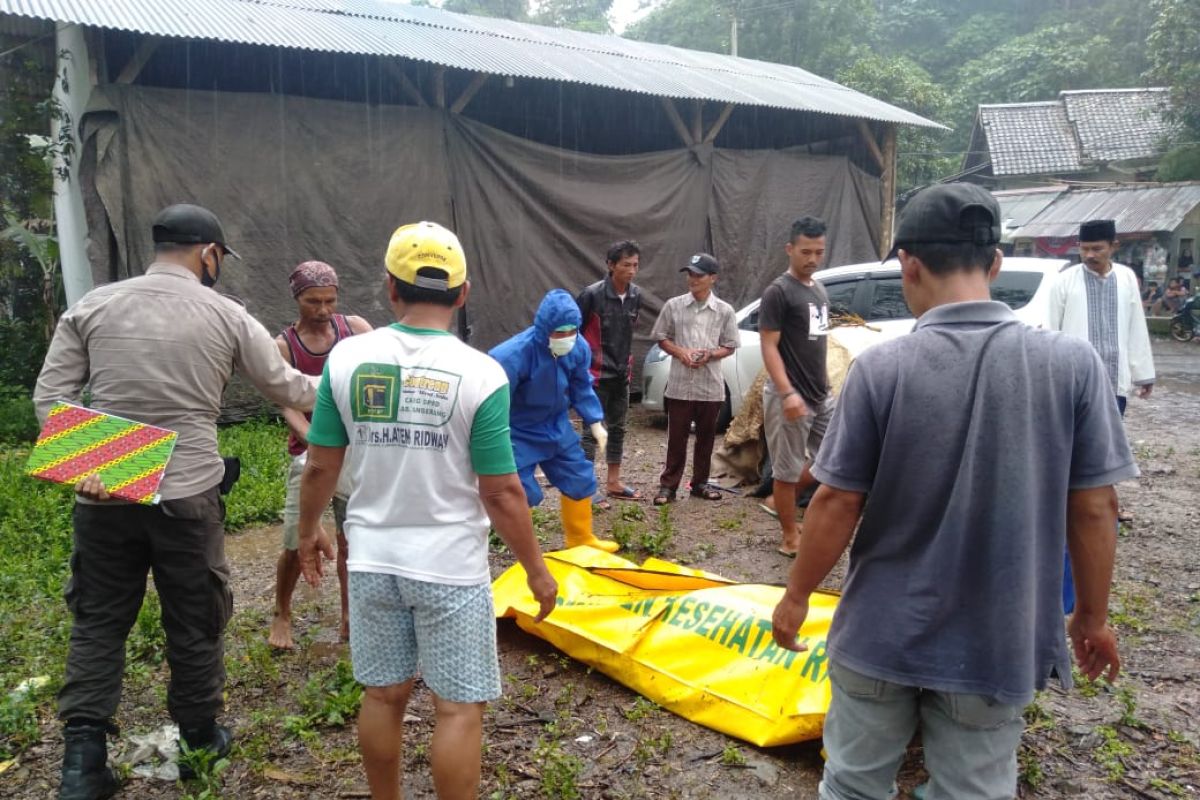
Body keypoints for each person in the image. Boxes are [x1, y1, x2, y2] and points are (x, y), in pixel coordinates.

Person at [770, 184, 1131, 800]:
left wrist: (797, 596)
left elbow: (836, 502)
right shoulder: (1073, 365)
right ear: (993, 264)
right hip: (995, 645)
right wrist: (1091, 618)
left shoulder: (883, 369)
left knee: (854, 785)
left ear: (908, 264)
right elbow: (1095, 507)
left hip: (879, 635)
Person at [34, 204, 318, 799]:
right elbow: (288, 388)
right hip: (189, 494)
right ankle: (198, 742)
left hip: (105, 498)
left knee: (98, 621)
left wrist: (98, 464)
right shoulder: (227, 313)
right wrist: (353, 379)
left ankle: (82, 766)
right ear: (209, 254)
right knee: (195, 617)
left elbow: (51, 397)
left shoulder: (93, 305)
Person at [296, 221, 557, 800]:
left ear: (390, 287)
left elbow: (320, 466)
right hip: (451, 569)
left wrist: (309, 529)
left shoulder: (347, 359)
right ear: (463, 294)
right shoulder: (481, 373)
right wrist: (537, 569)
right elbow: (502, 491)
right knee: (458, 708)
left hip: (372, 560)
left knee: (383, 695)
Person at [269, 261, 372, 650]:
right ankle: (282, 612)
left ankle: (349, 615)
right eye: (314, 301)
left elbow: (381, 375)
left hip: (354, 450)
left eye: (330, 300)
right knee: (298, 541)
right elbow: (286, 401)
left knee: (351, 539)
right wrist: (314, 437)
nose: (324, 310)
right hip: (309, 451)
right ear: (297, 298)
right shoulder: (284, 345)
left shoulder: (355, 330)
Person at [489, 289, 620, 552]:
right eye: (559, 332)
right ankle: (525, 550)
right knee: (518, 490)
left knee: (579, 475)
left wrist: (595, 421)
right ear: (544, 328)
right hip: (518, 429)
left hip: (556, 425)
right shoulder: (511, 356)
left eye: (572, 330)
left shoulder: (578, 347)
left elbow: (581, 385)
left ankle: (581, 540)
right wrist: (493, 439)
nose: (566, 338)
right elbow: (492, 401)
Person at [759, 217, 834, 557]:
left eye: (819, 252)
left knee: (834, 456)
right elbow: (769, 346)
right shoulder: (779, 291)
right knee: (787, 469)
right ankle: (789, 535)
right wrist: (787, 391)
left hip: (821, 394)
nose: (813, 259)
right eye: (806, 251)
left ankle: (778, 499)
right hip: (789, 394)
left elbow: (816, 342)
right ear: (789, 249)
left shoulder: (818, 289)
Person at [650, 253, 739, 505]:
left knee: (706, 437)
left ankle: (699, 483)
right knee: (676, 437)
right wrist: (681, 352)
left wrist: (710, 354)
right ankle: (668, 486)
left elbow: (731, 345)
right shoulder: (674, 305)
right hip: (679, 384)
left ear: (713, 278)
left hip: (710, 384)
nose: (693, 279)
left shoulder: (724, 311)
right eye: (690, 274)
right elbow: (661, 336)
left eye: (699, 275)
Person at [1047, 219, 1155, 416]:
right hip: (1075, 382)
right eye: (1084, 249)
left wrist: (1143, 374)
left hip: (1115, 381)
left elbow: (1136, 327)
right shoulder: (1064, 281)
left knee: (1110, 441)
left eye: (1097, 249)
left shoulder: (1126, 277)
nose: (1089, 255)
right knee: (1074, 441)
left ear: (1113, 246)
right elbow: (1050, 332)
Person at [577, 240, 643, 508]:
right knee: (591, 430)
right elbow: (574, 333)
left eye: (636, 265)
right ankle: (585, 486)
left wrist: (626, 364)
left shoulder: (636, 295)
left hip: (621, 373)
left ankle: (613, 482)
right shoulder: (591, 295)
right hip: (594, 374)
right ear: (611, 265)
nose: (632, 270)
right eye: (626, 265)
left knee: (618, 428)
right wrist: (580, 369)